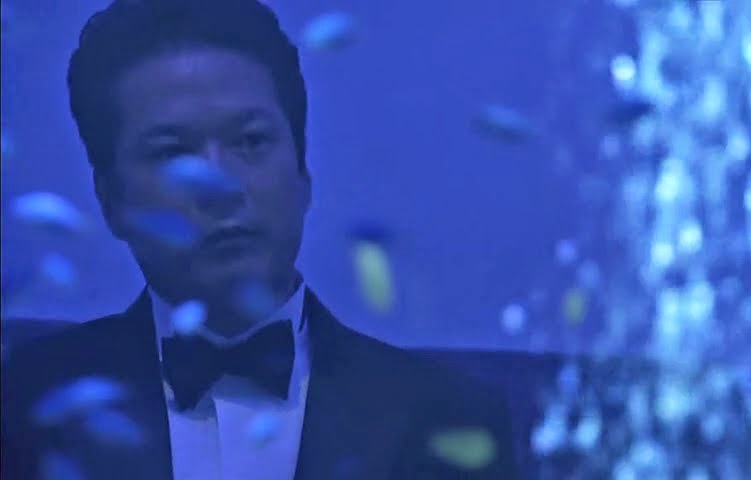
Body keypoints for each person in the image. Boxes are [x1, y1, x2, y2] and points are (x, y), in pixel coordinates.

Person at [0, 1, 519, 479]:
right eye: (172, 153)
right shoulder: (20, 403)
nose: (220, 186)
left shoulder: (448, 416)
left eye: (251, 141)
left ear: (303, 170)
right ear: (111, 200)